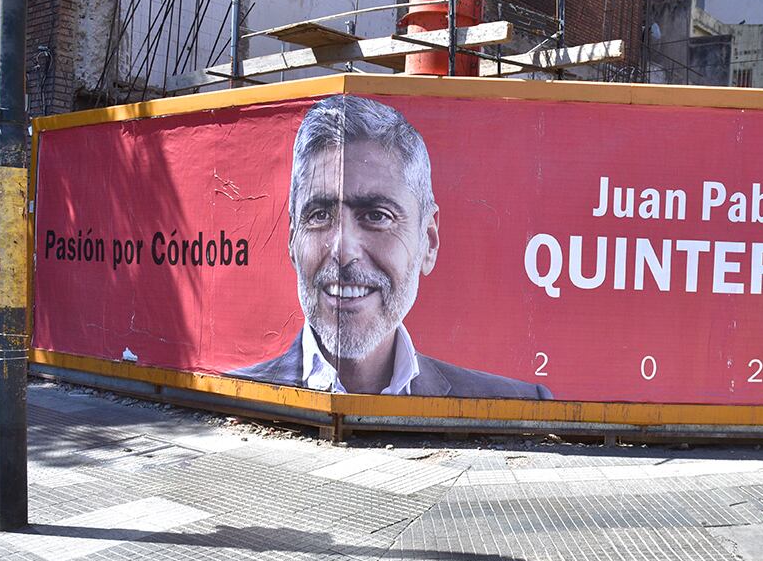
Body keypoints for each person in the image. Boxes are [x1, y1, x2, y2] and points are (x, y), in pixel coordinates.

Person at [232, 94, 552, 399]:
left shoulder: (516, 401)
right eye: (319, 215)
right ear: (291, 240)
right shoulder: (236, 392)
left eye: (376, 215)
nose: (343, 251)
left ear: (428, 240)